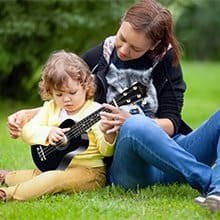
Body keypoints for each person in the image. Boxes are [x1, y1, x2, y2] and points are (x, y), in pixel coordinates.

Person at [6, 0, 220, 211]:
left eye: (135, 48)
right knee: (135, 124)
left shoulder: (166, 60)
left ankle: (217, 191)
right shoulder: (100, 55)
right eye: (122, 38)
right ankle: (208, 179)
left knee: (136, 122)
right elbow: (69, 94)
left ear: (154, 46)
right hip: (132, 168)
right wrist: (28, 114)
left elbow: (172, 122)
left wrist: (133, 121)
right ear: (121, 24)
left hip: (173, 152)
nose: (124, 50)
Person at [0, 50, 116, 201]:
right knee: (38, 176)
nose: (66, 99)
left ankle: (6, 194)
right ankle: (6, 176)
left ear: (85, 86)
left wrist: (108, 134)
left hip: (89, 172)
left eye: (72, 92)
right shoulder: (51, 108)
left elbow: (105, 152)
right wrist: (48, 133)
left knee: (51, 179)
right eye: (59, 95)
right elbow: (28, 131)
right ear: (50, 92)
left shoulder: (95, 112)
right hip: (57, 167)